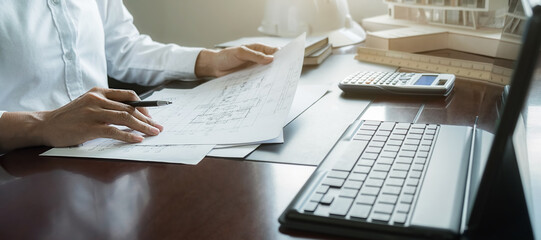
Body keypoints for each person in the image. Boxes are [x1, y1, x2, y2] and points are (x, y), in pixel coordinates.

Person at [0, 0, 278, 153]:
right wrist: (43, 124)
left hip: (104, 153)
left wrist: (208, 61)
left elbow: (123, 47)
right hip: (18, 166)